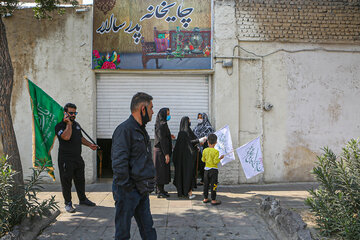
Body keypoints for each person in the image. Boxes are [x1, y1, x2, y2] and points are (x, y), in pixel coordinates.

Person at [111, 92, 156, 240]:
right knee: (123, 234)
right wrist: (127, 188)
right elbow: (119, 163)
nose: (153, 112)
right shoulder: (124, 130)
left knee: (148, 229)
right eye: (151, 108)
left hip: (141, 189)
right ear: (142, 109)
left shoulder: (141, 130)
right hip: (127, 191)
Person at [55, 103, 97, 213]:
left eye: (75, 113)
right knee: (67, 182)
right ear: (65, 113)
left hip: (77, 158)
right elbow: (66, 137)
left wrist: (90, 145)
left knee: (80, 180)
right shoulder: (59, 126)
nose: (73, 115)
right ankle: (68, 203)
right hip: (65, 159)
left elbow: (80, 138)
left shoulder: (76, 125)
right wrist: (68, 123)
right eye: (71, 113)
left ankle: (82, 199)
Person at [172, 116, 206, 199]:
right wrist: (199, 140)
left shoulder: (182, 132)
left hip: (182, 160)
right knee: (188, 175)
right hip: (187, 159)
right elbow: (189, 143)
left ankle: (182, 192)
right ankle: (189, 193)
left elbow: (190, 143)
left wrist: (197, 144)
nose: (190, 122)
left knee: (182, 175)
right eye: (189, 120)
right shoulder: (185, 132)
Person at [154, 108, 175, 198]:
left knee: (161, 171)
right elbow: (162, 140)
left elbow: (162, 136)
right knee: (161, 172)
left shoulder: (161, 124)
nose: (169, 116)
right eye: (168, 114)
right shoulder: (162, 125)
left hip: (161, 151)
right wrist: (166, 154)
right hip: (161, 152)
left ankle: (161, 190)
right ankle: (160, 191)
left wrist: (169, 136)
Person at [202, 133, 224, 205]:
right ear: (216, 143)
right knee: (213, 185)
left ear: (207, 142)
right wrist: (220, 158)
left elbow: (203, 160)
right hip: (213, 170)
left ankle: (205, 198)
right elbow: (215, 162)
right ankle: (213, 200)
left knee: (206, 184)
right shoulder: (216, 152)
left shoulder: (205, 150)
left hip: (206, 170)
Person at [193, 113, 215, 185]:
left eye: (201, 117)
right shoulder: (196, 127)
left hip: (206, 149)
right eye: (198, 117)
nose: (199, 119)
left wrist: (205, 141)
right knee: (200, 166)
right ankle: (203, 180)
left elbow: (211, 138)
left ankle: (207, 182)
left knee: (206, 166)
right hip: (198, 149)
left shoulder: (208, 128)